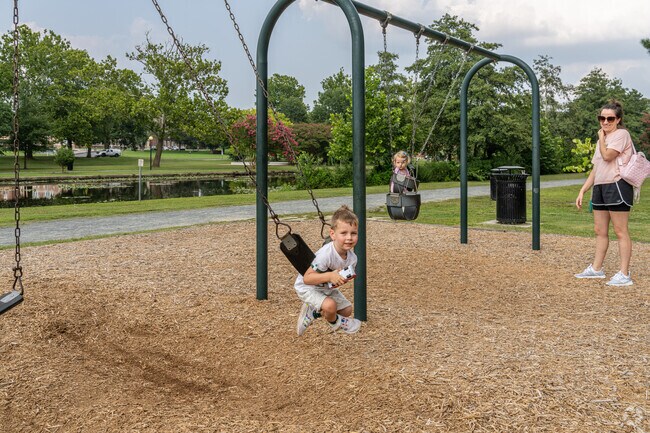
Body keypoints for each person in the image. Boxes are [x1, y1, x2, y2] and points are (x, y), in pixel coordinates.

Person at [575, 100, 635, 286]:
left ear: (618, 119)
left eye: (610, 118)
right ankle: (596, 269)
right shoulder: (603, 138)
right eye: (602, 118)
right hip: (600, 187)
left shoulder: (621, 135)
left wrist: (601, 139)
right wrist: (583, 190)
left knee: (620, 231)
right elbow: (597, 168)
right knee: (600, 230)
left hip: (617, 185)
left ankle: (624, 274)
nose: (605, 122)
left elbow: (608, 156)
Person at [295, 205, 362, 336]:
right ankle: (336, 324)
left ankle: (313, 311)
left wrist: (340, 279)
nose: (349, 237)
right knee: (330, 307)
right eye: (344, 233)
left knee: (346, 310)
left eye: (353, 233)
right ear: (333, 234)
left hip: (325, 288)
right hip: (307, 287)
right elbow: (307, 278)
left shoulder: (353, 259)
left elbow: (335, 280)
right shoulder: (326, 255)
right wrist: (330, 276)